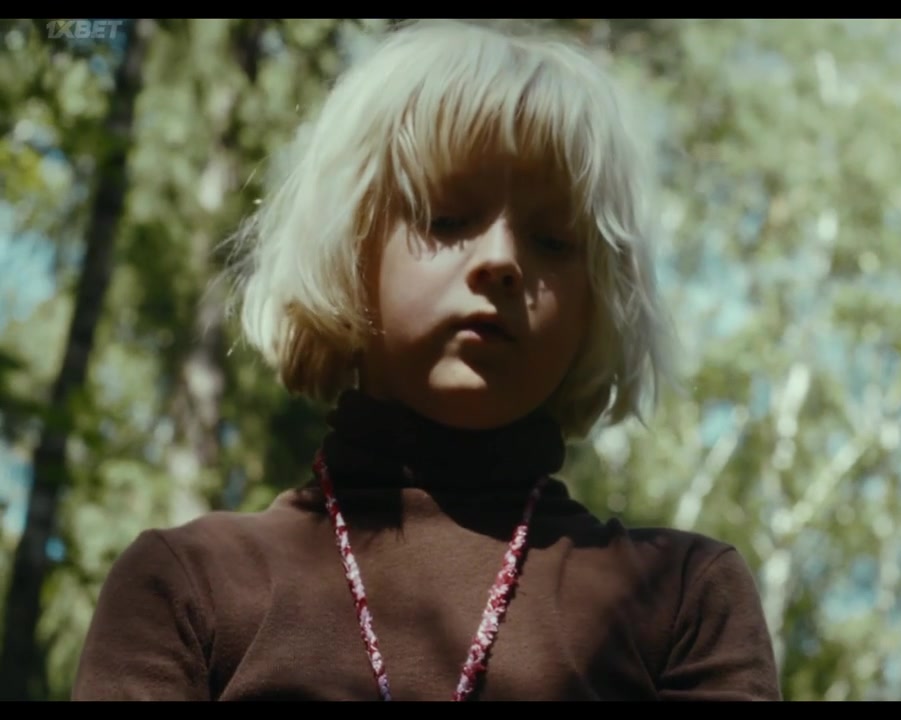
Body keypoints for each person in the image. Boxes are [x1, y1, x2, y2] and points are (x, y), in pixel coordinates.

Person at [71, 19, 781, 701]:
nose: (501, 260)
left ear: (599, 299)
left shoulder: (683, 600)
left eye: (553, 241)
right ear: (350, 247)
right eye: (446, 219)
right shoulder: (189, 586)